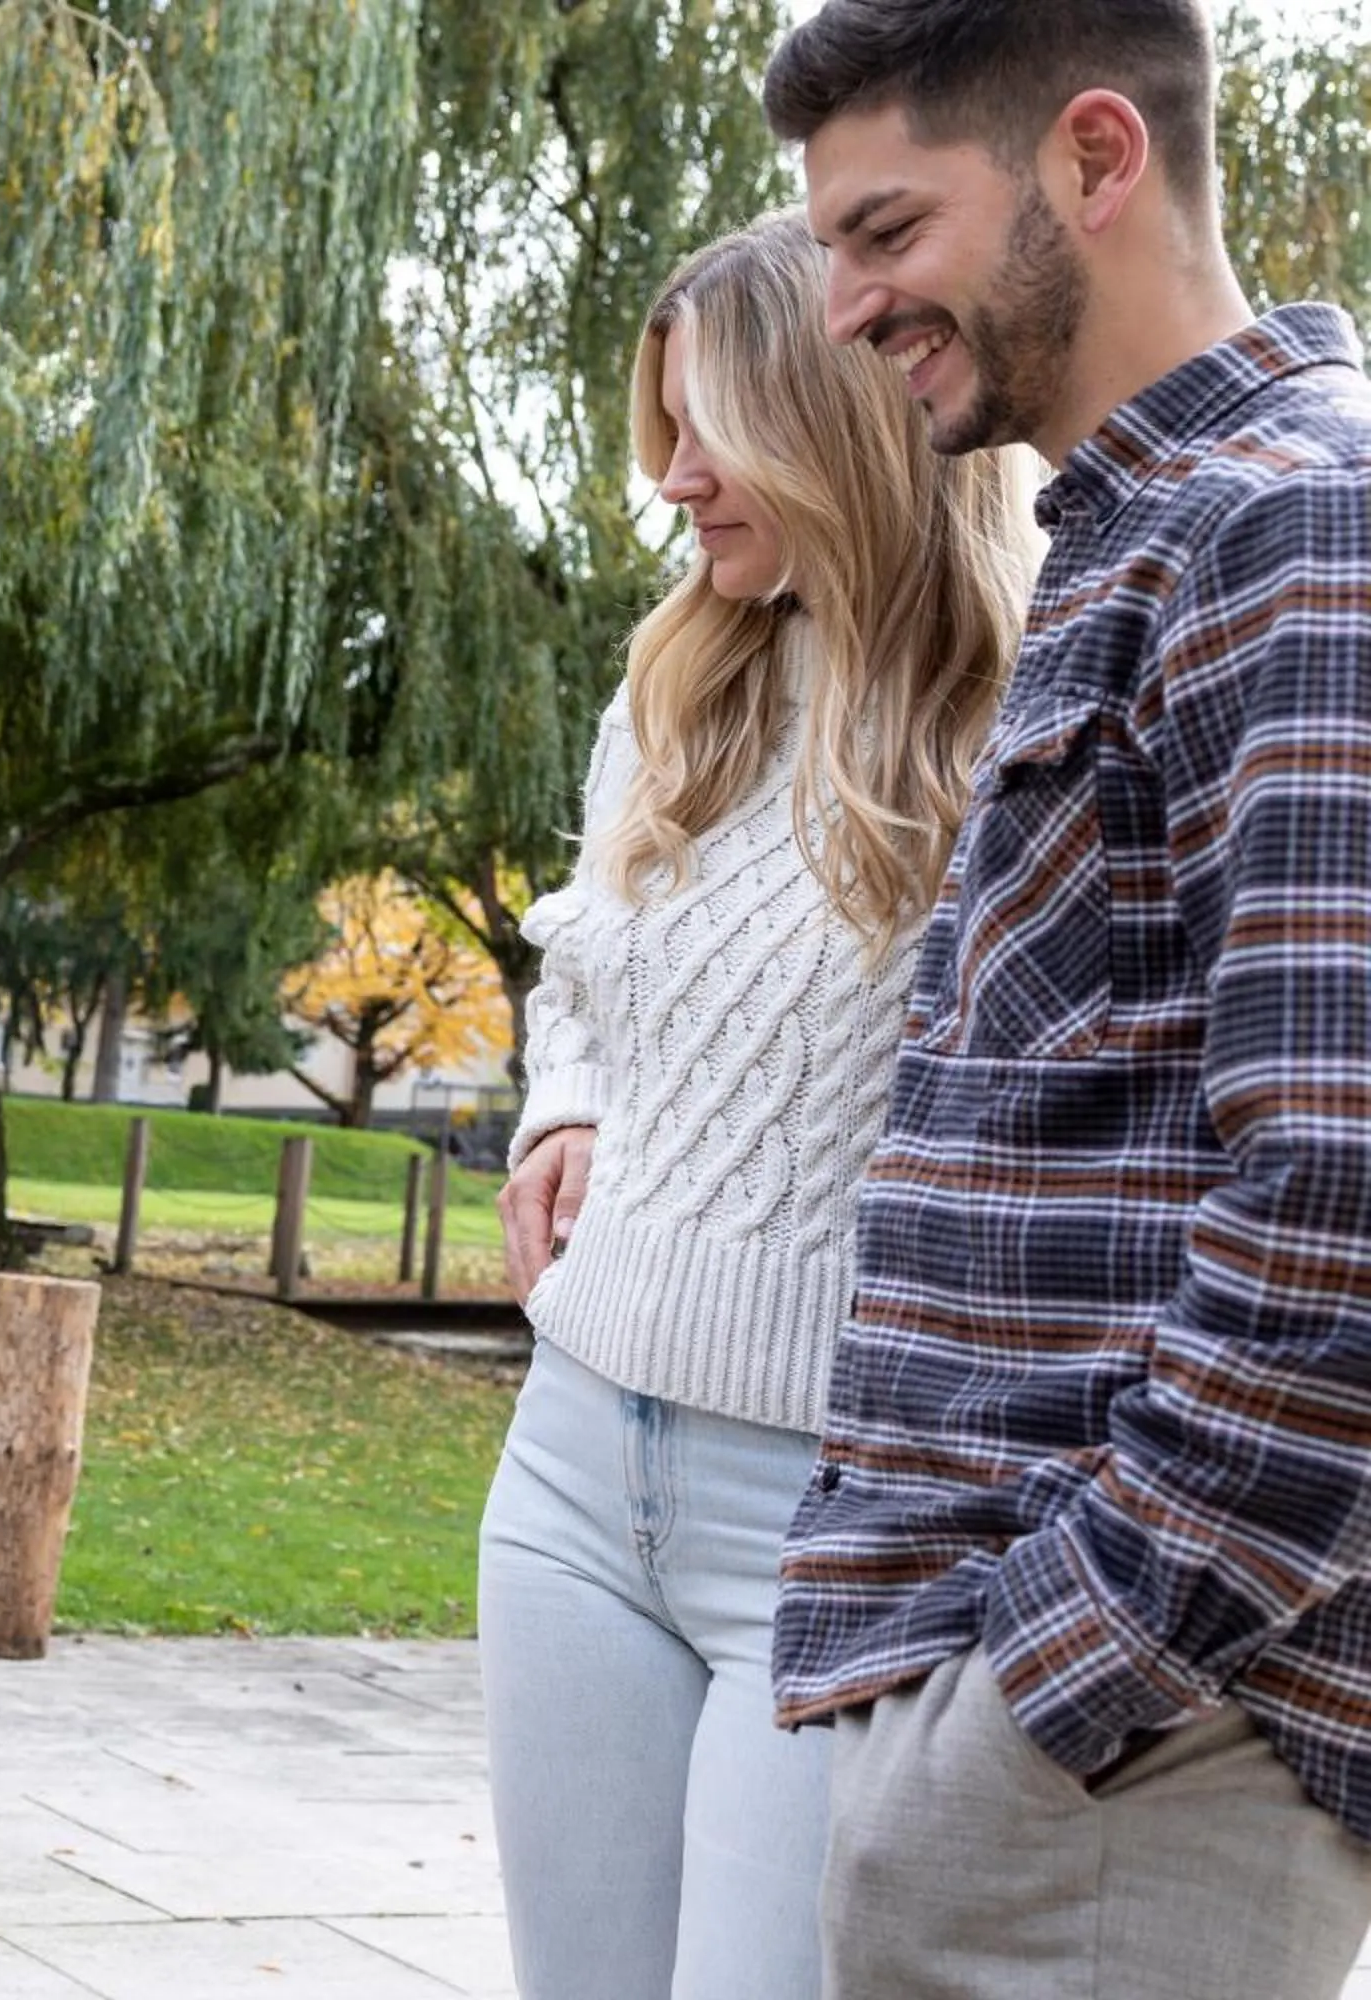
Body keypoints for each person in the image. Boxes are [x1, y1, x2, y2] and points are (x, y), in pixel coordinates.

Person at [760, 5, 1371, 1994]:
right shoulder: (1143, 534)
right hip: (1056, 1749)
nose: (843, 309)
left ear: (1094, 162)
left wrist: (1059, 1682)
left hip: (1129, 1770)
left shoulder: (1296, 528)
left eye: (883, 230)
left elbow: (1343, 1196)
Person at [479, 209, 1030, 2000]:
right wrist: (563, 1102)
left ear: (844, 417)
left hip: (833, 1509)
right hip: (572, 1464)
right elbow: (587, 959)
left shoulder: (1017, 724)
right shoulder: (680, 681)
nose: (677, 482)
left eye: (712, 429)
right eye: (666, 433)